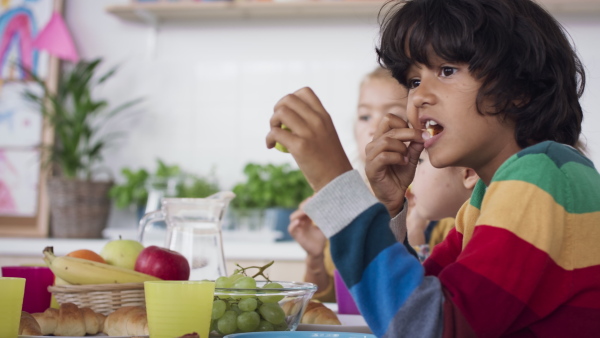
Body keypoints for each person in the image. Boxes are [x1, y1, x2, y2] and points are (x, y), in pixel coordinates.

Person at [266, 0, 600, 336]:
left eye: (447, 71)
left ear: (519, 90)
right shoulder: (484, 201)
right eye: (413, 81)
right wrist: (390, 208)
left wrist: (334, 183)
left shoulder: (541, 174)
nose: (419, 96)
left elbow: (430, 327)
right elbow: (418, 303)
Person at [288, 66, 410, 302]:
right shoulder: (345, 200)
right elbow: (334, 302)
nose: (373, 128)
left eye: (393, 115)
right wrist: (315, 257)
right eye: (365, 116)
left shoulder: (432, 200)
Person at [407, 150, 478, 261]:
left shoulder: (482, 244)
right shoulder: (461, 238)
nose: (409, 177)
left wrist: (416, 239)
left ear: (469, 174)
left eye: (420, 161)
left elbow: (420, 278)